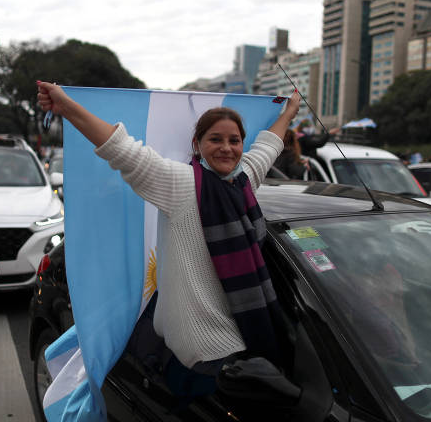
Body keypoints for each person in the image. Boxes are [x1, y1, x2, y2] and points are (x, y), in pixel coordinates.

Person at [36, 81, 300, 379]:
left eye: (235, 140)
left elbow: (268, 145)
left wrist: (288, 113)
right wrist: (66, 106)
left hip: (241, 329)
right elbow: (121, 149)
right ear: (197, 145)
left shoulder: (243, 182)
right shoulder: (182, 184)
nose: (227, 148)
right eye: (215, 139)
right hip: (204, 348)